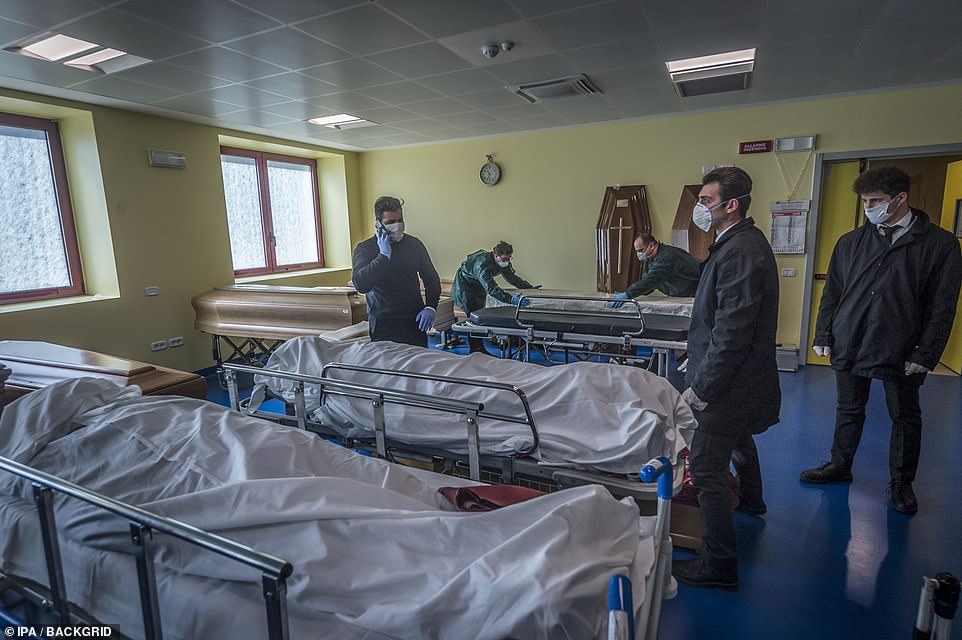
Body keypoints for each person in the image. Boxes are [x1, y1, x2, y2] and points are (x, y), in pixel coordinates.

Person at [800, 166, 962, 515]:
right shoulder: (851, 242)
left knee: (905, 415)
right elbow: (833, 292)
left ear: (901, 199)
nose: (869, 207)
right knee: (848, 408)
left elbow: (943, 305)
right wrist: (823, 332)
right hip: (852, 336)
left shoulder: (940, 245)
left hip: (903, 345)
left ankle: (902, 483)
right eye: (865, 201)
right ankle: (839, 466)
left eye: (876, 201)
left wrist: (926, 351)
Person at [673, 167, 781, 591]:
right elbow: (718, 317)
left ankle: (718, 563)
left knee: (705, 466)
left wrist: (702, 386)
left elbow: (732, 331)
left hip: (729, 382)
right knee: (738, 438)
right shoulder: (735, 245)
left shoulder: (740, 251)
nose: (700, 208)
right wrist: (693, 353)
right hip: (739, 379)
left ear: (730, 205)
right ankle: (752, 500)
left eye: (705, 201)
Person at [352, 196, 441, 347]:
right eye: (391, 222)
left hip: (414, 321)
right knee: (388, 368)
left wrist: (430, 307)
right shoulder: (365, 249)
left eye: (400, 220)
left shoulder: (414, 244)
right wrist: (383, 256)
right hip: (384, 324)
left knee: (418, 366)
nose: (397, 225)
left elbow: (432, 279)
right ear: (378, 224)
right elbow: (361, 284)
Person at [451, 241, 535, 353]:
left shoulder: (502, 262)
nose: (507, 262)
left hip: (477, 285)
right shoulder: (482, 265)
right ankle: (476, 350)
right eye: (504, 259)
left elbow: (512, 278)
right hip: (464, 287)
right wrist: (510, 299)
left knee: (479, 313)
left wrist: (529, 288)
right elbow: (491, 289)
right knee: (473, 317)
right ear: (496, 256)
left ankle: (479, 349)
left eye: (509, 259)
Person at [610, 233, 700, 308]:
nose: (639, 254)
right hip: (683, 295)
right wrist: (631, 293)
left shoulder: (667, 256)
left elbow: (653, 279)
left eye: (641, 250)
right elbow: (648, 282)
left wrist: (629, 293)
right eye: (637, 251)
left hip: (694, 293)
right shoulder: (651, 258)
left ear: (652, 245)